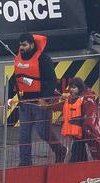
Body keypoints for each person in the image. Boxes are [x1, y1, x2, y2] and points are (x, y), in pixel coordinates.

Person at [11, 33, 66, 166]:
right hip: (25, 102)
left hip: (41, 103)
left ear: (31, 44)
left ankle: (60, 150)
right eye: (20, 45)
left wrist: (44, 99)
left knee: (43, 132)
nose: (21, 48)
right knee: (24, 135)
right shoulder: (19, 60)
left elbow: (52, 81)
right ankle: (25, 164)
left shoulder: (44, 59)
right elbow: (15, 78)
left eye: (24, 45)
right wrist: (9, 99)